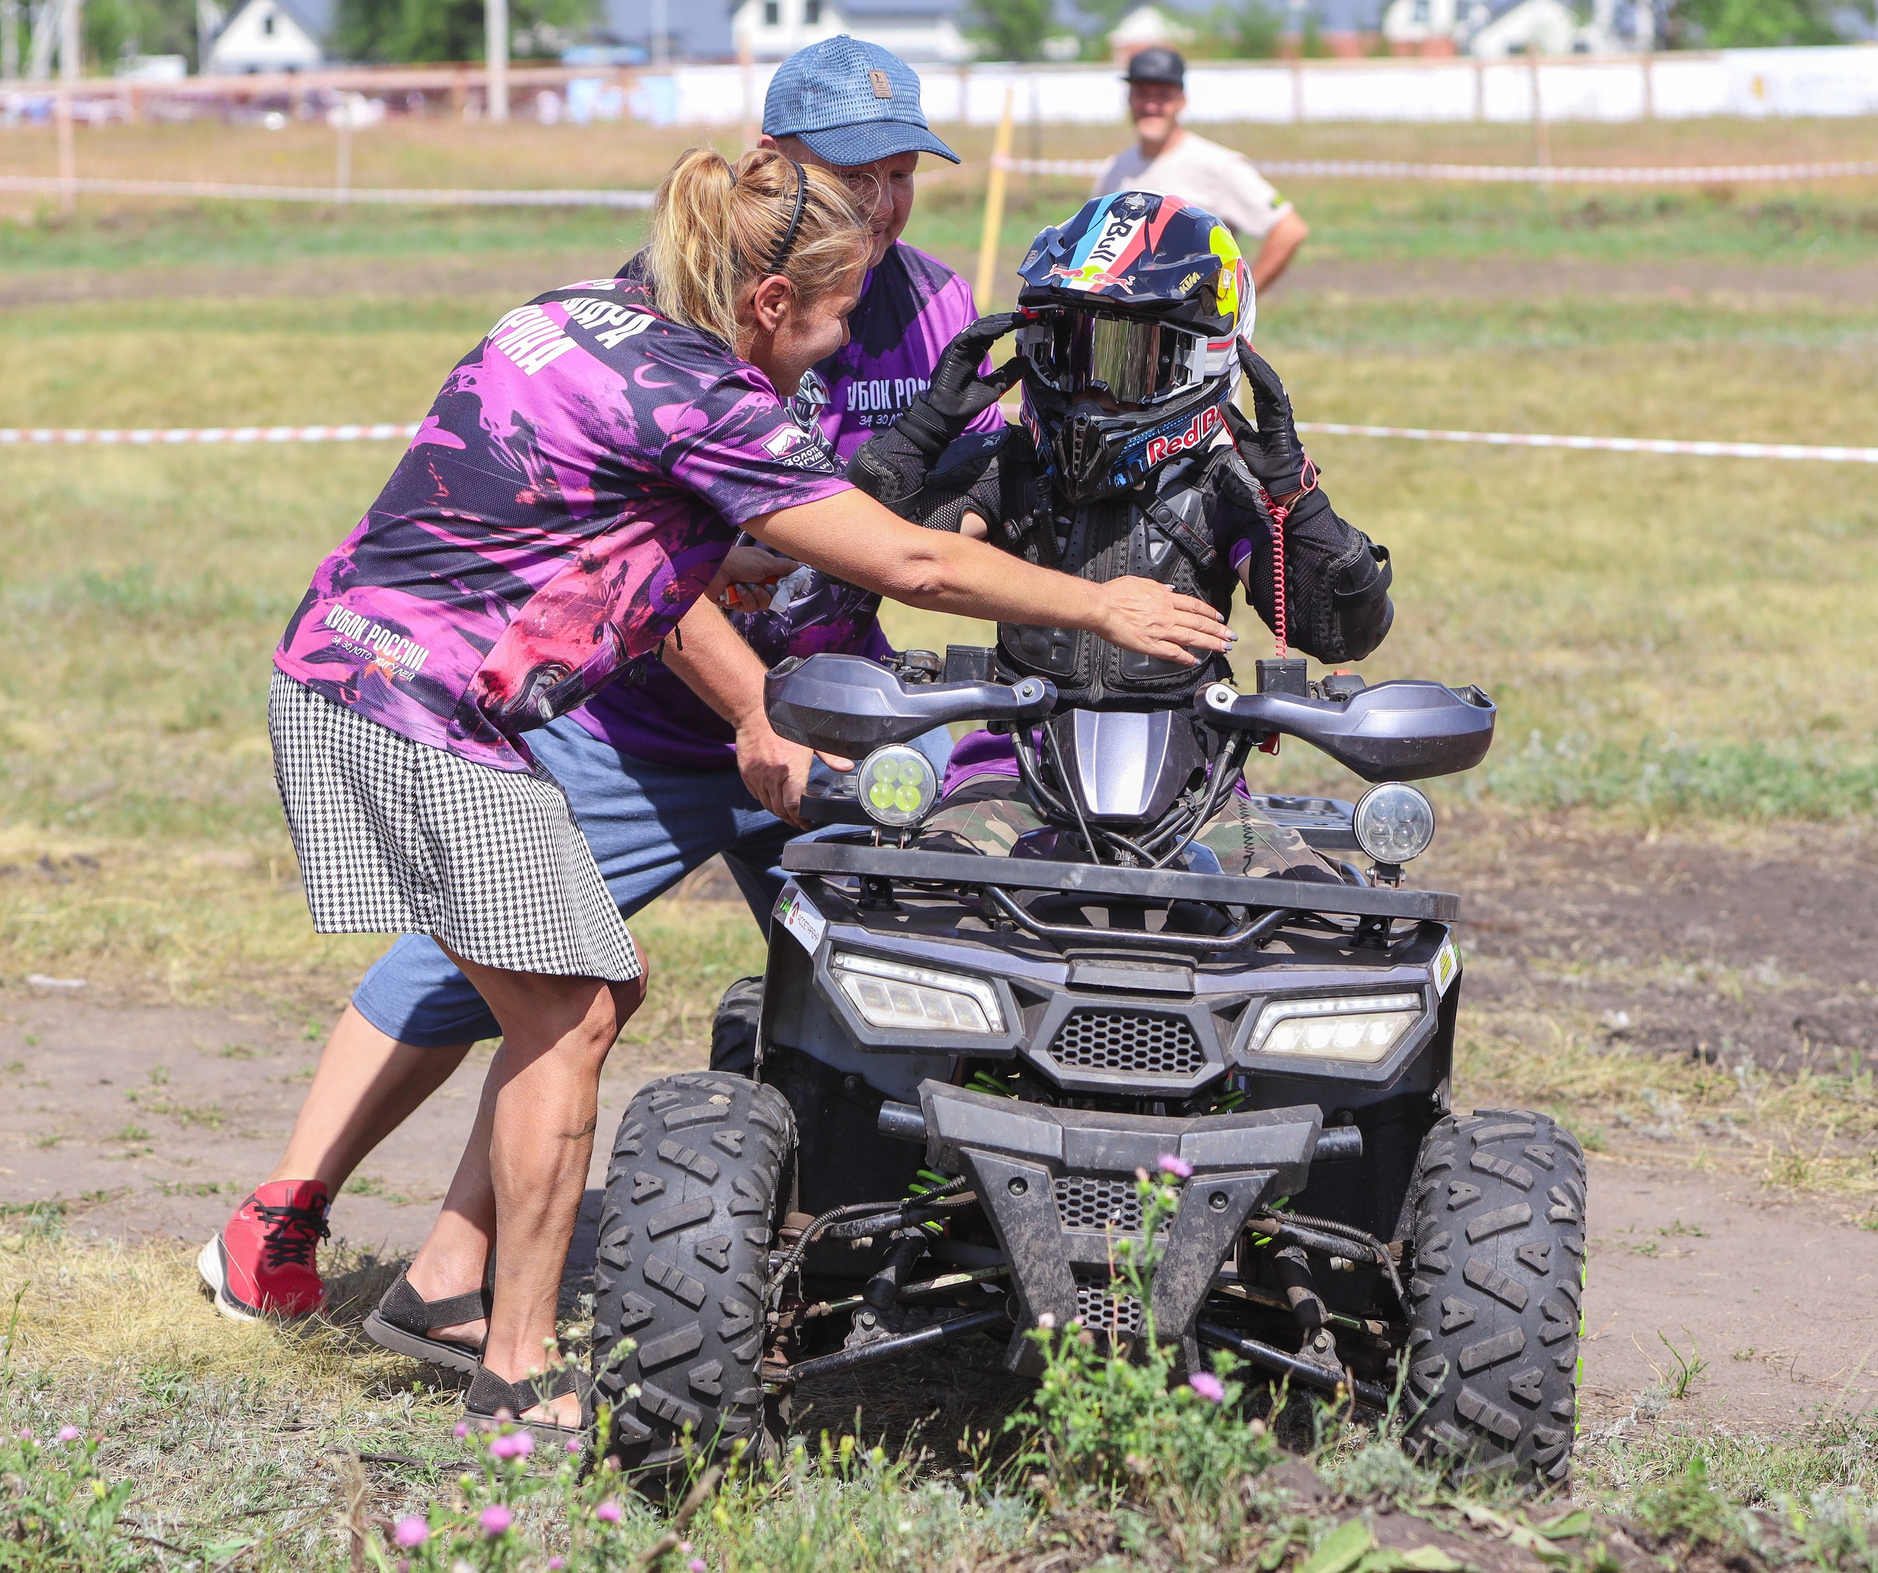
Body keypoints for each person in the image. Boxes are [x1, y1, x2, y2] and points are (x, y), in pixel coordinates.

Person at [241, 147, 1230, 1429]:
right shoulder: (705, 393)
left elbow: (566, 504)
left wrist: (714, 556)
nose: (839, 344)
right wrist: (1103, 606)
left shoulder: (570, 314)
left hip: (343, 664)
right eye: (833, 316)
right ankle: (519, 1370)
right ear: (769, 301)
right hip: (416, 710)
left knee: (594, 992)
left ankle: (442, 1287)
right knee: (573, 1015)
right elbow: (914, 565)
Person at [200, 36, 1003, 1329]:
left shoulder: (933, 304)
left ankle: (865, 1241)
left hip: (836, 711)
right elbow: (645, 566)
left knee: (899, 965)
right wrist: (750, 708)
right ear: (772, 167)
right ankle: (280, 1213)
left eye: (904, 171)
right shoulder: (671, 300)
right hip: (648, 721)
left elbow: (962, 495)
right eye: (857, 173)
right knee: (486, 974)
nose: (886, 200)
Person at [848, 188, 1391, 868]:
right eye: (1070, 354)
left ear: (1204, 359)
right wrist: (923, 432)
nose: (1090, 392)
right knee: (926, 889)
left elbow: (1341, 631)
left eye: (1128, 362)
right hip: (1012, 771)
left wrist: (1299, 499)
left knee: (1301, 905)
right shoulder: (1009, 467)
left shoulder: (1224, 487)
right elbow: (867, 549)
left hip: (1198, 788)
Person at [1095, 46, 1309, 296]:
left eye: (1163, 95)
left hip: (1190, 318)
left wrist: (1240, 300)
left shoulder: (1218, 165)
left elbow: (1289, 229)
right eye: (1142, 93)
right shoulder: (1114, 169)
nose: (1151, 105)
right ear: (1129, 99)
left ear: (1181, 101)